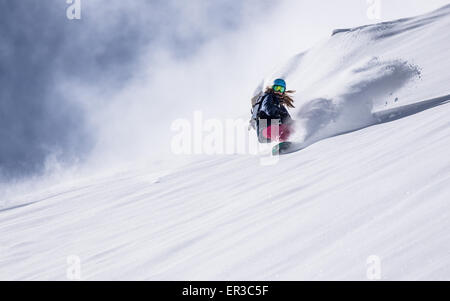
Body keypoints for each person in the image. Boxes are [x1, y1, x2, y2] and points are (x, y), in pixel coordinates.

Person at [250, 79, 295, 143]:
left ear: (283, 91)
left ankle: (283, 144)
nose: (279, 91)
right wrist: (280, 112)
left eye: (281, 89)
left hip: (266, 134)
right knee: (288, 129)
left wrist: (295, 124)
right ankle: (282, 141)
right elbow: (268, 108)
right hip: (265, 129)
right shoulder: (268, 97)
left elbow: (288, 118)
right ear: (272, 88)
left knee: (292, 127)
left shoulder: (278, 104)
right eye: (277, 88)